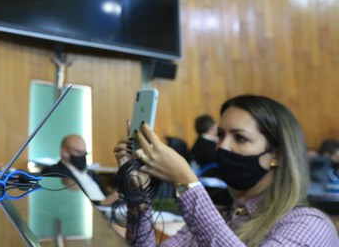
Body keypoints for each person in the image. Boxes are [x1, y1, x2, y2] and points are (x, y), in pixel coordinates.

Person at [114, 95, 339, 246]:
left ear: (276, 156)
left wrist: (187, 184)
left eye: (240, 138)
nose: (222, 147)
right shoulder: (223, 213)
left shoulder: (308, 224)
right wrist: (138, 197)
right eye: (220, 135)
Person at [42, 134, 117, 205]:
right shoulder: (53, 172)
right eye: (79, 152)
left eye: (85, 153)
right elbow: (67, 201)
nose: (83, 157)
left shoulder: (89, 172)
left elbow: (104, 194)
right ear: (64, 152)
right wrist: (102, 203)